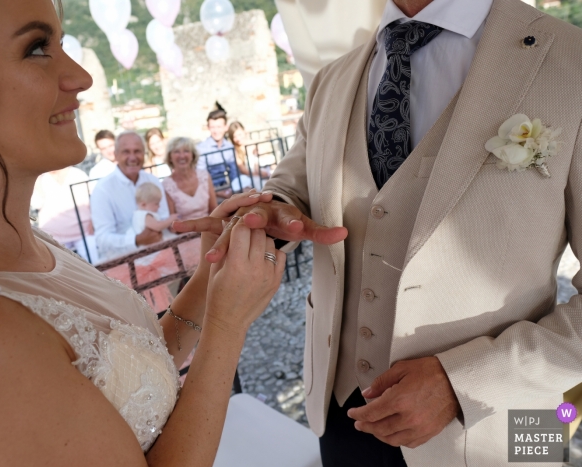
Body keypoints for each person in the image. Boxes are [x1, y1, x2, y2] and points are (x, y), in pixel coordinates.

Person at [176, 0, 582, 465]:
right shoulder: (333, 79)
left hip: (498, 428)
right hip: (339, 407)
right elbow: (293, 184)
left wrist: (463, 381)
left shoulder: (573, 63)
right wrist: (275, 213)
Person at [0, 2, 286, 467]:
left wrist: (210, 281)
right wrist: (227, 327)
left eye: (60, 44)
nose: (80, 76)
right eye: (37, 48)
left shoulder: (19, 241)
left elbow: (131, 379)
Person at [90, 131, 170, 260]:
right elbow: (102, 239)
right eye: (126, 152)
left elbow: (164, 216)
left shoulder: (153, 181)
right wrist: (136, 240)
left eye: (137, 151)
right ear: (116, 154)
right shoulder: (103, 189)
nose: (132, 157)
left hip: (158, 255)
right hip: (123, 262)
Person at [31, 166, 96, 261]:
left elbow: (93, 200)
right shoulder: (40, 179)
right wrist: (37, 182)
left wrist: (93, 221)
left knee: (96, 267)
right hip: (55, 237)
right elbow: (37, 204)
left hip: (84, 231)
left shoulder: (77, 173)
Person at [196, 103, 251, 196]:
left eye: (219, 127)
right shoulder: (201, 149)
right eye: (213, 127)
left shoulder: (229, 147)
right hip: (211, 192)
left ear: (226, 127)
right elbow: (201, 179)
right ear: (208, 128)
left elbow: (234, 173)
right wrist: (219, 192)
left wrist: (234, 190)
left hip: (229, 188)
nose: (216, 131)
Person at [162, 137, 217, 221]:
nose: (182, 156)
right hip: (184, 231)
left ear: (193, 155)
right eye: (177, 152)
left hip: (208, 228)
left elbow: (214, 209)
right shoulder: (166, 185)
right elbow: (172, 221)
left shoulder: (204, 176)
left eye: (186, 151)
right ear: (170, 157)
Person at [227, 121, 270, 190]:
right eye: (235, 136)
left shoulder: (253, 144)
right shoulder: (235, 150)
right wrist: (259, 173)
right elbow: (243, 170)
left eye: (239, 135)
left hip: (261, 169)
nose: (238, 139)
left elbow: (262, 158)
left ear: (244, 131)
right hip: (251, 175)